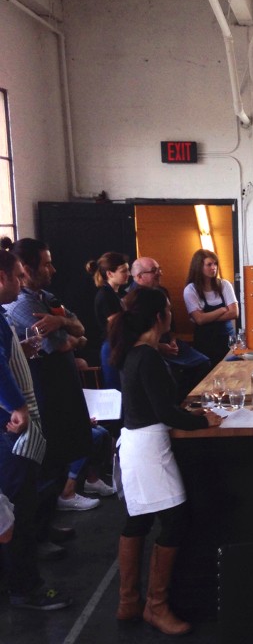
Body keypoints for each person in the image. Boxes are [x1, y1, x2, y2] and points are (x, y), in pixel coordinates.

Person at [109, 287, 222, 634]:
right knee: (174, 521)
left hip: (134, 442)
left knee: (138, 520)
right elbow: (166, 413)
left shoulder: (137, 351)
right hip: (149, 447)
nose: (173, 315)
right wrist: (204, 419)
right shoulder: (148, 357)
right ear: (159, 317)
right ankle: (155, 606)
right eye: (170, 310)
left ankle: (129, 601)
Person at [5, 239, 94, 553]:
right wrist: (67, 331)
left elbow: (81, 331)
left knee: (59, 460)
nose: (53, 269)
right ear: (26, 270)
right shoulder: (22, 306)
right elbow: (62, 345)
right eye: (46, 263)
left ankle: (46, 525)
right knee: (43, 467)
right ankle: (37, 535)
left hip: (63, 388)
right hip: (43, 393)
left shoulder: (48, 298)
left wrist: (63, 322)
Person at [0, 246, 71, 610]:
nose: (19, 281)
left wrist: (22, 350)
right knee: (18, 511)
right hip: (11, 432)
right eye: (15, 275)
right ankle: (23, 587)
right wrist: (17, 407)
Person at [132, 256, 209, 400]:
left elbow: (171, 326)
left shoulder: (162, 291)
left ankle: (187, 400)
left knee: (203, 362)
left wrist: (173, 340)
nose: (159, 273)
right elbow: (135, 334)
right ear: (139, 276)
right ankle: (177, 402)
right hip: (153, 347)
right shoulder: (132, 298)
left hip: (170, 343)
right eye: (154, 270)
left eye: (159, 269)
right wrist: (160, 346)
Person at [182, 249, 239, 367]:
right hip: (205, 342)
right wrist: (222, 310)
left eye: (215, 264)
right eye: (209, 264)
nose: (214, 267)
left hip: (227, 339)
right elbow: (199, 320)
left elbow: (234, 313)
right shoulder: (191, 289)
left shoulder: (224, 284)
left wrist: (207, 316)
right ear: (198, 267)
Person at [86, 251, 130, 389]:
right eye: (124, 271)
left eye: (128, 270)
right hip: (112, 347)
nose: (128, 274)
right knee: (116, 390)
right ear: (110, 274)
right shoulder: (105, 295)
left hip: (118, 344)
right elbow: (117, 324)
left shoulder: (118, 293)